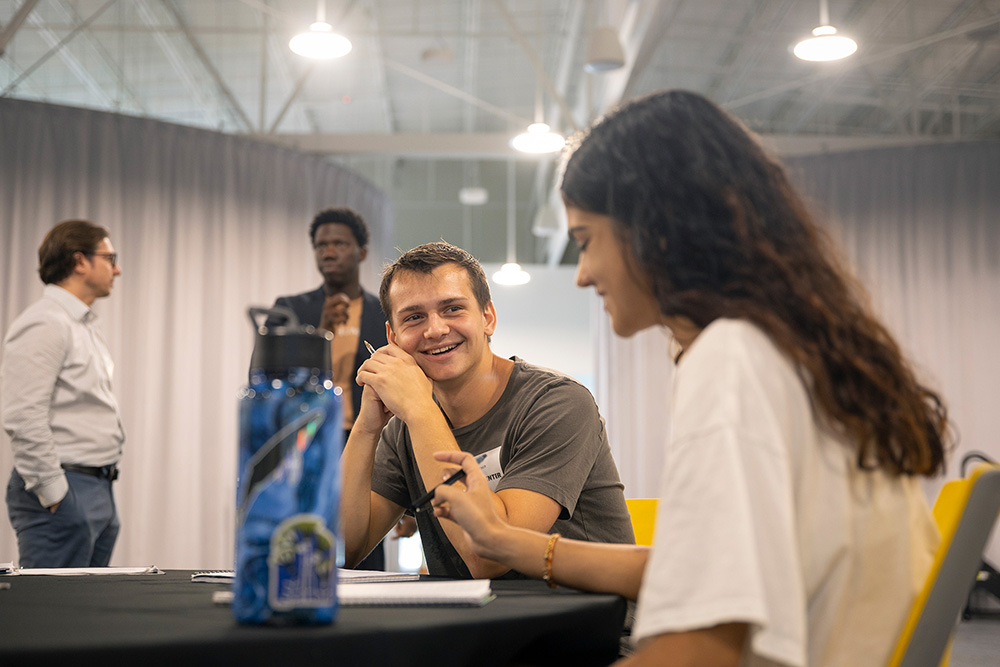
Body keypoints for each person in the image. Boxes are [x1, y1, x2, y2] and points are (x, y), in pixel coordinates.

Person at [427, 91, 949, 666]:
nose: (582, 274)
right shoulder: (789, 351)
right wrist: (508, 542)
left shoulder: (731, 361)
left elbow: (704, 646)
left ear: (656, 229)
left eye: (586, 241)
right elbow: (699, 570)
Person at [340, 241, 634, 579]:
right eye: (414, 317)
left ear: (487, 318)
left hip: (579, 624)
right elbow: (343, 549)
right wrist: (366, 427)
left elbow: (491, 559)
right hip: (477, 625)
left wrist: (421, 410)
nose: (435, 329)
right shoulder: (404, 428)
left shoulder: (558, 402)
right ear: (393, 338)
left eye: (452, 309)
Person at [266, 206, 407, 570]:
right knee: (299, 537)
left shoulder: (385, 313)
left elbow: (405, 380)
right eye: (321, 244)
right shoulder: (290, 310)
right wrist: (316, 334)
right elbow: (265, 378)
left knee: (362, 536)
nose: (328, 251)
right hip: (305, 440)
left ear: (361, 252)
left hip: (369, 438)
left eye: (339, 244)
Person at [2, 219, 126, 568]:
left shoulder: (81, 325)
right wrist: (53, 492)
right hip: (64, 490)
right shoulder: (45, 322)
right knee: (52, 618)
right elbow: (23, 416)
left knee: (84, 617)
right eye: (109, 257)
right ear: (79, 261)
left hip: (96, 486)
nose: (117, 269)